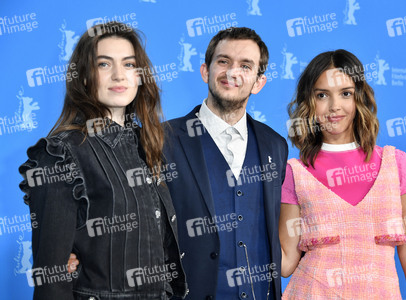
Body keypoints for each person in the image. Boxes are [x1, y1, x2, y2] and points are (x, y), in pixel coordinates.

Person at [19, 22, 187, 300]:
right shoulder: (60, 153)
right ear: (84, 76)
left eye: (129, 64)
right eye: (104, 64)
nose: (119, 75)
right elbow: (52, 279)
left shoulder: (147, 145)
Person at [279, 49, 406, 299]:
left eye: (345, 93)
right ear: (309, 101)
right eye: (322, 95)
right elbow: (286, 263)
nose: (334, 106)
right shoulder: (295, 173)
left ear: (358, 97)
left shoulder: (395, 164)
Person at [163, 27, 288, 299]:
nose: (232, 72)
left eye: (245, 65)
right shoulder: (162, 140)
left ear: (258, 82)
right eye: (223, 61)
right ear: (205, 71)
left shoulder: (275, 146)